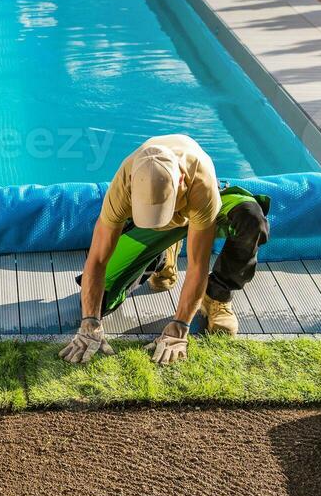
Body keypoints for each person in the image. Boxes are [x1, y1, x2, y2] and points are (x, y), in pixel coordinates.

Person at [59, 134, 237, 366]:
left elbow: (197, 266)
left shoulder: (201, 183)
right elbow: (97, 259)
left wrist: (180, 326)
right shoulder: (124, 182)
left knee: (252, 220)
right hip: (153, 228)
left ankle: (216, 298)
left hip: (191, 216)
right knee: (96, 302)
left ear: (181, 179)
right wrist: (90, 321)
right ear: (133, 182)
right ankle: (164, 255)